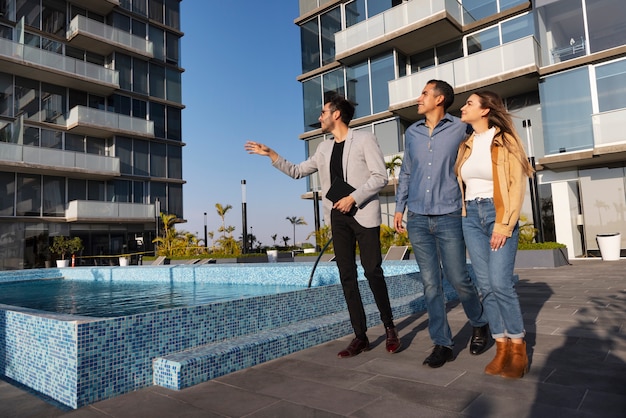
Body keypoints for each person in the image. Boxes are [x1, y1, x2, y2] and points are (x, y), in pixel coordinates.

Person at [244, 93, 401, 358]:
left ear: (336, 114)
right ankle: (360, 336)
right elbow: (297, 171)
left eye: (323, 112)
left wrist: (353, 197)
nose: (319, 117)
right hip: (338, 218)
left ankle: (389, 327)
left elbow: (379, 177)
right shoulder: (323, 148)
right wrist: (271, 154)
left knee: (372, 270)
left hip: (363, 213)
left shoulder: (364, 139)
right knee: (346, 275)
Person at [393, 80, 489, 368]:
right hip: (418, 217)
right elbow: (407, 172)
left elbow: (484, 145)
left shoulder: (461, 128)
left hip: (449, 214)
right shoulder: (412, 133)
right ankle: (442, 343)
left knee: (459, 277)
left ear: (440, 99)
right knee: (430, 284)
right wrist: (400, 208)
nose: (418, 98)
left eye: (424, 93)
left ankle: (479, 321)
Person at [456, 90, 533, 378]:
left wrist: (504, 225)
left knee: (501, 284)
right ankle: (501, 347)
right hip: (471, 218)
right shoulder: (467, 144)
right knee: (485, 286)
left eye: (470, 104)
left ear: (486, 110)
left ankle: (518, 348)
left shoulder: (505, 139)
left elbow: (516, 186)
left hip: (497, 214)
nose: (464, 107)